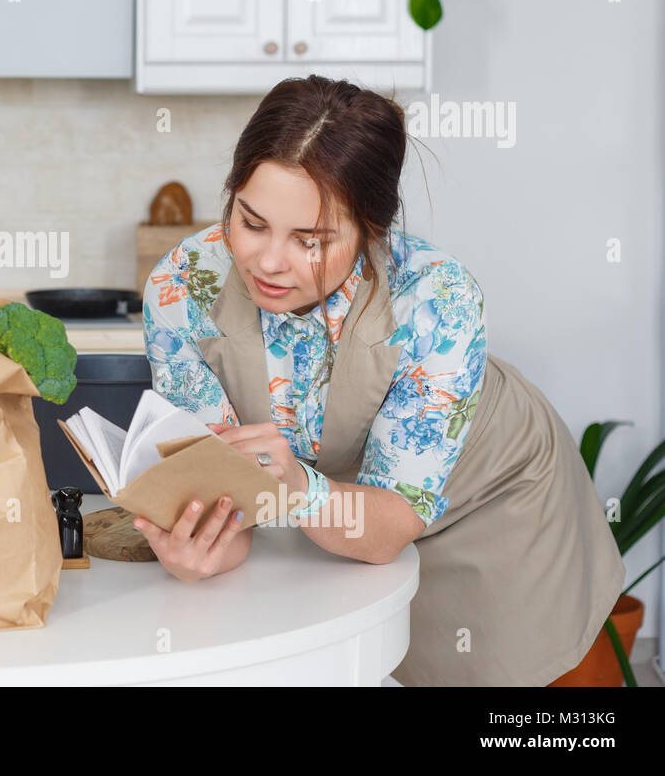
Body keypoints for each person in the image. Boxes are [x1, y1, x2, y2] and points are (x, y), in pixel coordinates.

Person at [137, 74, 624, 686]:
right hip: (338, 513)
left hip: (494, 502)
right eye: (251, 221)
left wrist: (295, 491)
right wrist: (198, 551)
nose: (267, 261)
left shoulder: (438, 299)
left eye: (310, 241)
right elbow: (229, 508)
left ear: (372, 229)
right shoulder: (183, 287)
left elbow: (388, 525)